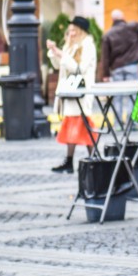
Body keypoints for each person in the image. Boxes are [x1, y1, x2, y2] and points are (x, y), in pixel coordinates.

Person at [47, 16, 97, 173]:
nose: (71, 33)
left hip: (81, 91)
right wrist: (55, 53)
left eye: (74, 30)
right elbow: (59, 66)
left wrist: (62, 55)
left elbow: (79, 69)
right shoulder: (71, 45)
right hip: (71, 91)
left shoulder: (87, 46)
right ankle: (78, 160)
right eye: (70, 30)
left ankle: (92, 159)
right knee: (77, 124)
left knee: (83, 123)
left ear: (81, 31)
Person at [96, 9, 138, 82]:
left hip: (116, 68)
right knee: (132, 91)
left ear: (112, 19)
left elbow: (105, 57)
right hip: (132, 65)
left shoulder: (107, 35)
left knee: (118, 92)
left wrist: (106, 74)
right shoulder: (132, 27)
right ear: (123, 17)